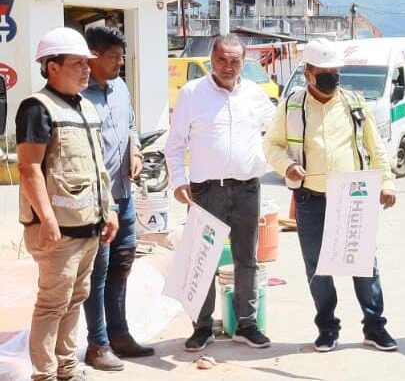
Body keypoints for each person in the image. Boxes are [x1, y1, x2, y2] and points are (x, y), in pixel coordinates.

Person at [264, 39, 398, 353]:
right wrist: (288, 166)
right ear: (308, 74)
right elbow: (271, 145)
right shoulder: (293, 105)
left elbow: (375, 146)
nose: (331, 78)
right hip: (310, 199)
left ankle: (375, 327)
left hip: (353, 197)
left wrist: (387, 182)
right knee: (317, 266)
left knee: (364, 264)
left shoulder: (353, 103)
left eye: (335, 72)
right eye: (324, 72)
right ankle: (327, 327)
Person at [17, 27, 118, 381]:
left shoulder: (86, 107)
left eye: (87, 63)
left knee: (75, 300)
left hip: (89, 226)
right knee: (52, 304)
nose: (87, 69)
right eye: (77, 63)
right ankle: (45, 373)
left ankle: (68, 367)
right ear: (52, 66)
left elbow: (98, 169)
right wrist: (46, 219)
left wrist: (111, 210)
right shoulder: (37, 108)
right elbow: (29, 167)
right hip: (57, 232)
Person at [166, 34, 276, 352]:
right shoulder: (192, 94)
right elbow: (174, 145)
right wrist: (177, 182)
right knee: (203, 259)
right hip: (205, 191)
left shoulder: (255, 95)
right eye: (222, 60)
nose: (228, 67)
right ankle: (202, 327)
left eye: (235, 61)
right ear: (211, 60)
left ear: (244, 62)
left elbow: (278, 134)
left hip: (246, 189)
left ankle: (247, 324)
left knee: (247, 259)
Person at [81, 27, 153, 371]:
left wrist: (135, 148)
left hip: (124, 195)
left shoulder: (120, 88)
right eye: (114, 57)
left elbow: (130, 125)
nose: (120, 64)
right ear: (93, 57)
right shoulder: (78, 95)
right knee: (98, 271)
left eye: (122, 57)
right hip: (97, 202)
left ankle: (120, 333)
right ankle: (97, 344)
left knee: (123, 265)